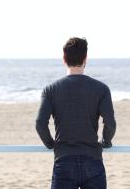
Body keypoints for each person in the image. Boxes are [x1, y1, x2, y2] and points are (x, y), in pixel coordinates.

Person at [35, 37, 116, 189]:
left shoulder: (51, 89)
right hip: (93, 160)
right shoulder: (101, 89)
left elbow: (40, 124)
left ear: (64, 58)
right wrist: (106, 141)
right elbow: (110, 123)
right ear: (86, 58)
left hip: (64, 160)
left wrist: (51, 144)